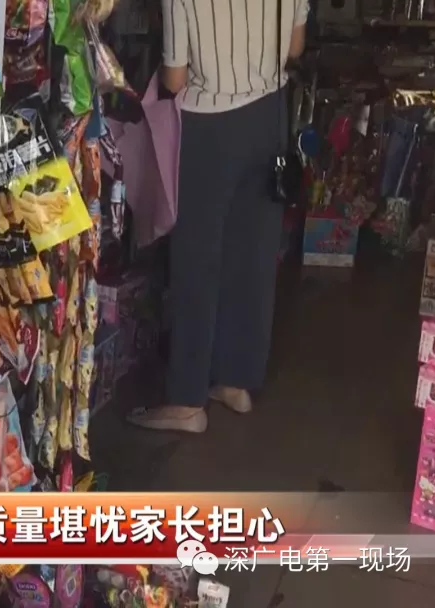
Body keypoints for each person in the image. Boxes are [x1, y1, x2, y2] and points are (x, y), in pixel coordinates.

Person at [128, 0, 308, 432]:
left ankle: (188, 399)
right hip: (269, 116)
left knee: (198, 262)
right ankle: (236, 381)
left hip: (209, 128)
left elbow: (175, 77)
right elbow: (295, 47)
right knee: (253, 254)